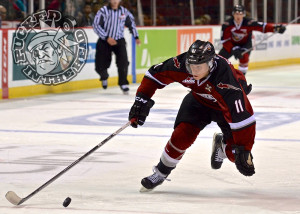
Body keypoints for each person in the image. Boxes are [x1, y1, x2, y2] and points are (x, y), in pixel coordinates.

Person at [128, 40, 255, 191]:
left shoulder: (227, 82)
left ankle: (222, 145)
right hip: (198, 101)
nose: (194, 71)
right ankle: (161, 173)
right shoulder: (181, 64)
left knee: (237, 156)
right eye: (191, 66)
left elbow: (243, 119)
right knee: (181, 136)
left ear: (211, 63)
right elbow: (154, 74)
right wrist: (141, 101)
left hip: (224, 108)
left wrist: (244, 148)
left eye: (199, 67)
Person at [219, 4, 286, 75]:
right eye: (236, 14)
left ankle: (241, 79)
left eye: (240, 14)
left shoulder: (248, 22)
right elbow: (225, 40)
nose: (238, 16)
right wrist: (234, 49)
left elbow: (262, 26)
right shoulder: (227, 24)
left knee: (244, 58)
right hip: (231, 45)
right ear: (233, 14)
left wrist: (275, 28)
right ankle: (215, 77)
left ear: (244, 14)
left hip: (245, 44)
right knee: (219, 59)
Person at [93, 0, 141, 94]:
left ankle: (123, 83)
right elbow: (96, 25)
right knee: (101, 62)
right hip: (104, 40)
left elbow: (131, 24)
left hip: (119, 40)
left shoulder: (124, 11)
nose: (115, 1)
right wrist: (106, 37)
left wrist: (136, 36)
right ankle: (104, 77)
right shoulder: (103, 11)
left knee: (123, 62)